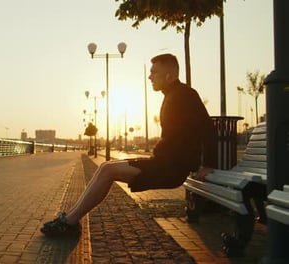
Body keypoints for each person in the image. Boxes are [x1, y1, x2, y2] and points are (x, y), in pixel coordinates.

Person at [40, 53, 218, 236]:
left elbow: (208, 129)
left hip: (170, 168)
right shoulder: (173, 95)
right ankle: (70, 218)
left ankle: (69, 222)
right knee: (106, 166)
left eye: (154, 73)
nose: (150, 77)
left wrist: (209, 165)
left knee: (108, 171)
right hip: (163, 163)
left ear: (169, 76)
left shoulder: (185, 94)